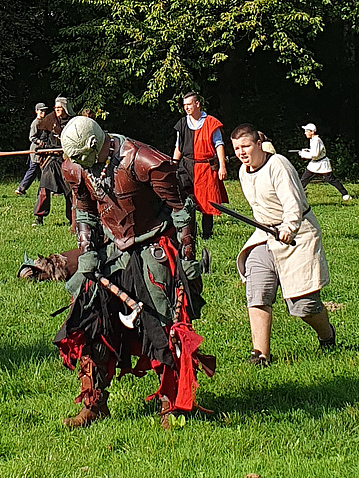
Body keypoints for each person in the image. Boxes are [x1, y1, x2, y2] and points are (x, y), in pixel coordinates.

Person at [54, 116, 214, 429]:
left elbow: (181, 210)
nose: (78, 165)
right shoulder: (74, 167)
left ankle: (173, 403)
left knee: (162, 324)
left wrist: (188, 257)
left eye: (82, 158)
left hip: (152, 245)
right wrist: (86, 251)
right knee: (91, 321)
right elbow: (84, 211)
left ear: (94, 144)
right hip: (113, 250)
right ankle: (94, 402)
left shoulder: (144, 161)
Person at [230, 123, 336, 367]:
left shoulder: (278, 165)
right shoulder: (244, 172)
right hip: (265, 235)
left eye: (246, 146)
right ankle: (260, 355)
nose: (241, 152)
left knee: (304, 306)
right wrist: (271, 230)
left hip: (298, 235)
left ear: (259, 144)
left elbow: (293, 204)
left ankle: (327, 335)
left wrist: (288, 228)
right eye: (236, 148)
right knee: (258, 291)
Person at [172, 92, 228, 239]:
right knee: (186, 200)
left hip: (205, 168)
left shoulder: (211, 123)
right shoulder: (182, 124)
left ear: (197, 104)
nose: (186, 108)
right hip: (186, 166)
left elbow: (219, 145)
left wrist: (222, 166)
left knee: (206, 202)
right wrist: (173, 164)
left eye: (189, 104)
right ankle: (189, 233)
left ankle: (207, 234)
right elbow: (178, 146)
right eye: (184, 105)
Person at [32, 96, 75, 227]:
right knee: (44, 189)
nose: (57, 110)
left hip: (65, 161)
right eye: (55, 108)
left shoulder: (72, 123)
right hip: (51, 160)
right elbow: (44, 137)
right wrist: (44, 146)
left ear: (65, 109)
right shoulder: (50, 120)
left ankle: (72, 219)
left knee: (70, 191)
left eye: (59, 108)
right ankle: (39, 218)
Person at [297, 123, 352, 201]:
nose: (305, 133)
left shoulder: (316, 140)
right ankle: (300, 195)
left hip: (322, 163)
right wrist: (307, 150)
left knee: (330, 179)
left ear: (312, 132)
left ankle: (345, 194)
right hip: (314, 164)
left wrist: (303, 154)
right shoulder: (313, 140)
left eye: (306, 131)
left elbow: (315, 154)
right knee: (304, 180)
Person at [15, 103, 49, 196]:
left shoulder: (46, 122)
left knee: (45, 171)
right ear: (36, 111)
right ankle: (21, 188)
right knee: (33, 169)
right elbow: (32, 137)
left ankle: (41, 192)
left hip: (44, 150)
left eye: (44, 111)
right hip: (36, 150)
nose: (43, 113)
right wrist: (39, 142)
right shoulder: (36, 123)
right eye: (41, 111)